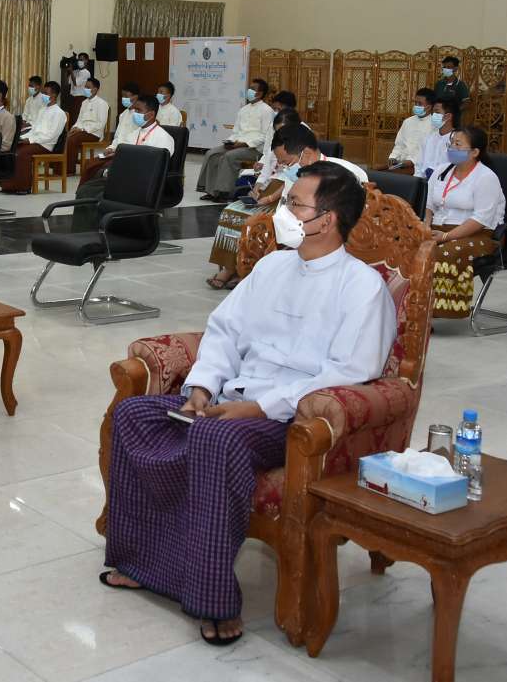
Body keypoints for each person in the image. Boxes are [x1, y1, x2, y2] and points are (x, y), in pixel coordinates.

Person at [101, 162, 394, 645]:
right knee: (134, 415)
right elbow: (224, 331)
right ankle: (143, 565)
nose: (284, 211)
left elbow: (346, 374)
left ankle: (212, 599)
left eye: (295, 204)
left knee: (215, 438)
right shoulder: (273, 266)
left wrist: (258, 409)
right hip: (229, 399)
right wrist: (201, 388)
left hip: (289, 418)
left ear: (327, 220)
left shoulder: (362, 287)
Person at [205, 109, 304, 290]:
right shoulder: (278, 140)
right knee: (231, 212)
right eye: (278, 130)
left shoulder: (302, 143)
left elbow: (294, 178)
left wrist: (270, 197)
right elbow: (267, 166)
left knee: (253, 219)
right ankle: (230, 267)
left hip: (286, 192)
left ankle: (244, 270)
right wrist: (257, 188)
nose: (281, 134)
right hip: (271, 184)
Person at [424, 125, 506, 318]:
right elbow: (428, 205)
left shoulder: (486, 178)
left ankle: (434, 311)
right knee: (405, 246)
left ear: (475, 152)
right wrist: (426, 225)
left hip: (477, 234)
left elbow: (480, 220)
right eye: (451, 143)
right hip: (438, 228)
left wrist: (446, 236)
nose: (452, 148)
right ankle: (408, 305)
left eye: (458, 144)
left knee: (442, 252)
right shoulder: (441, 171)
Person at [72, 94, 176, 229]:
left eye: (138, 110)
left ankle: (97, 230)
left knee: (97, 195)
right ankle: (84, 232)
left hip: (141, 184)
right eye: (135, 109)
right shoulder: (134, 134)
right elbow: (122, 158)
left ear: (151, 115)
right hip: (124, 179)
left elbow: (155, 169)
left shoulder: (164, 138)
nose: (135, 113)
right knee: (85, 190)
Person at [197, 79, 275, 202]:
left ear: (260, 93)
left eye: (253, 89)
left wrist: (244, 144)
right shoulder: (243, 109)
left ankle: (224, 192)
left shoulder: (267, 110)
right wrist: (230, 142)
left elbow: (265, 136)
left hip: (254, 148)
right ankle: (211, 191)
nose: (249, 91)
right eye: (249, 88)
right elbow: (236, 132)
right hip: (237, 144)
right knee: (211, 153)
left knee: (229, 156)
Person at [0, 82, 67, 194]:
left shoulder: (59, 113)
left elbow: (51, 136)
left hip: (46, 145)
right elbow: (34, 129)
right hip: (35, 141)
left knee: (21, 153)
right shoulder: (42, 110)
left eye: (46, 93)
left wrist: (30, 140)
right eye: (43, 93)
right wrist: (22, 138)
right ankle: (8, 185)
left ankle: (23, 187)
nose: (43, 95)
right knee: (11, 148)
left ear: (54, 95)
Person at [385, 88, 435, 173]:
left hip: (419, 167)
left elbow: (429, 151)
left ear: (429, 107)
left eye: (420, 104)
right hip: (400, 164)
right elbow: (399, 144)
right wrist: (393, 157)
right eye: (415, 103)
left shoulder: (434, 126)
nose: (416, 106)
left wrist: (412, 161)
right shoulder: (408, 122)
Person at [64, 77, 110, 170]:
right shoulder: (84, 102)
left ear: (95, 89)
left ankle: (69, 169)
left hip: (94, 133)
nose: (85, 89)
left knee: (72, 139)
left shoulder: (102, 103)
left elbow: (100, 124)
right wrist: (74, 127)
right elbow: (79, 120)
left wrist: (82, 129)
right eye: (85, 87)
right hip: (81, 131)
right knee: (64, 136)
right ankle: (59, 167)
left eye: (88, 87)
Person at [414, 98, 459, 181]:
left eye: (437, 112)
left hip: (444, 183)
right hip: (423, 182)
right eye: (432, 113)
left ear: (448, 116)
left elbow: (456, 169)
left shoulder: (458, 141)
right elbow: (419, 165)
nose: (433, 115)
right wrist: (417, 182)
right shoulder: (428, 138)